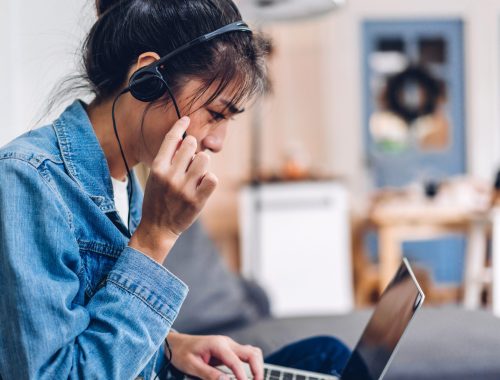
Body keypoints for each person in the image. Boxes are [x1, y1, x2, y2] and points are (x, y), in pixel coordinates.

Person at [0, 1, 350, 379]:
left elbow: (95, 326)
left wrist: (170, 346)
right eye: (216, 114)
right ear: (148, 77)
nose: (217, 142)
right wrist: (155, 237)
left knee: (327, 356)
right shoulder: (29, 180)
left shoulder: (124, 182)